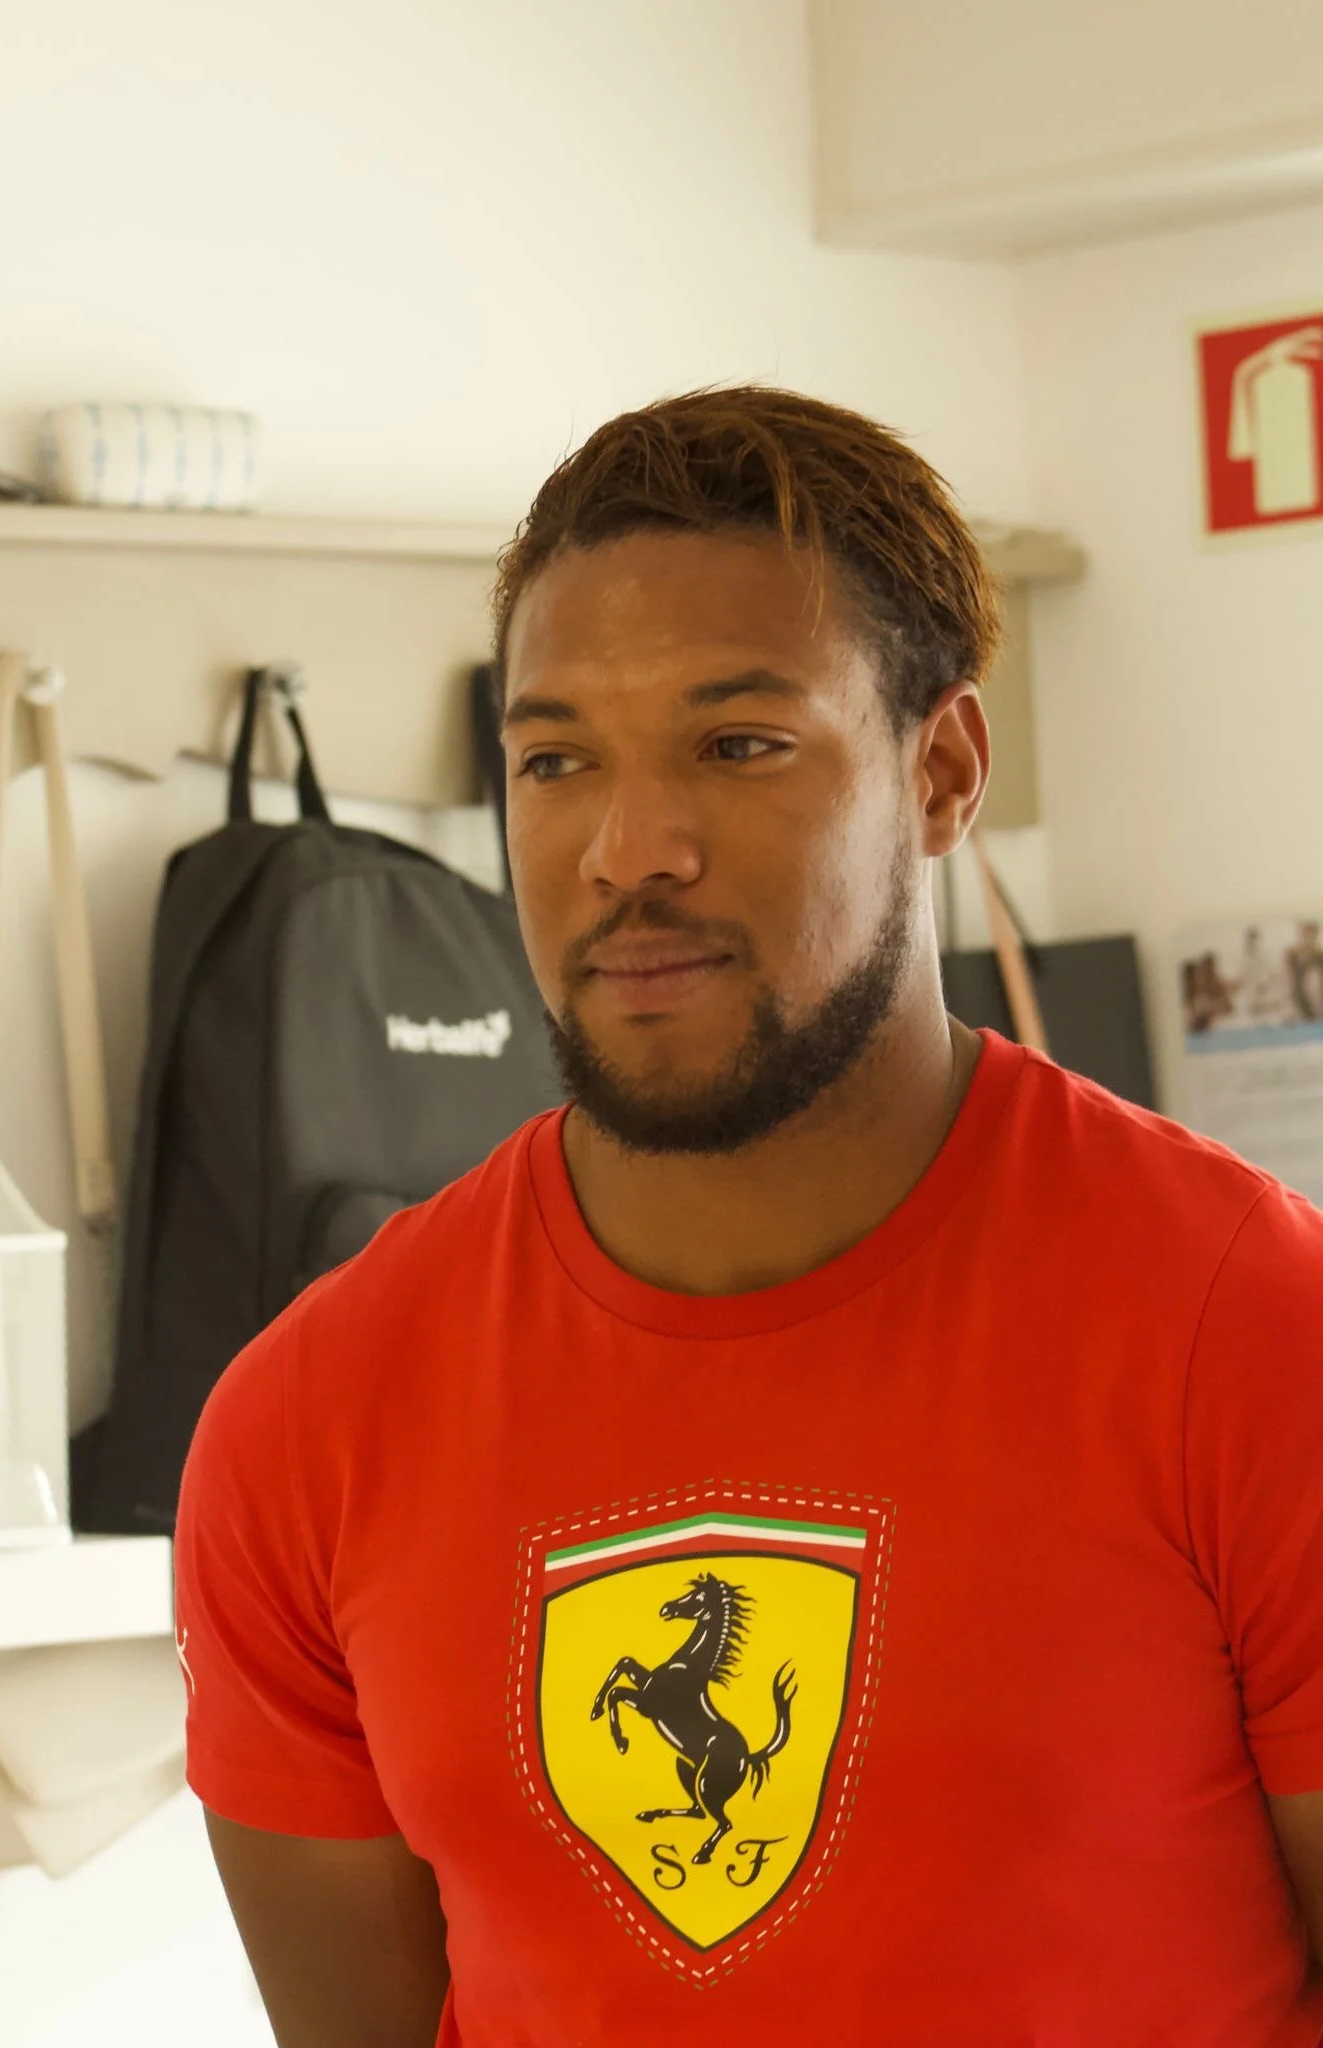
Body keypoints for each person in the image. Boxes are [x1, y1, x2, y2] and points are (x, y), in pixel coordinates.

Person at [175, 388, 1323, 2048]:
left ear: (939, 771)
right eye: (555, 760)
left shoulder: (1247, 1329)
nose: (629, 850)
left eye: (738, 744)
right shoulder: (308, 1421)